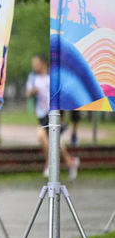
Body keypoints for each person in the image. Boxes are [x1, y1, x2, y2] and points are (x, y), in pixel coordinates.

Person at [26, 53, 79, 181]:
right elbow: (27, 94)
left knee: (43, 136)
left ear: (43, 63)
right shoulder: (33, 78)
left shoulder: (52, 77)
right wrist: (33, 92)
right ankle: (71, 162)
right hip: (41, 115)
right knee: (54, 141)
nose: (34, 66)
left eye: (36, 63)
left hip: (53, 113)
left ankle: (49, 163)